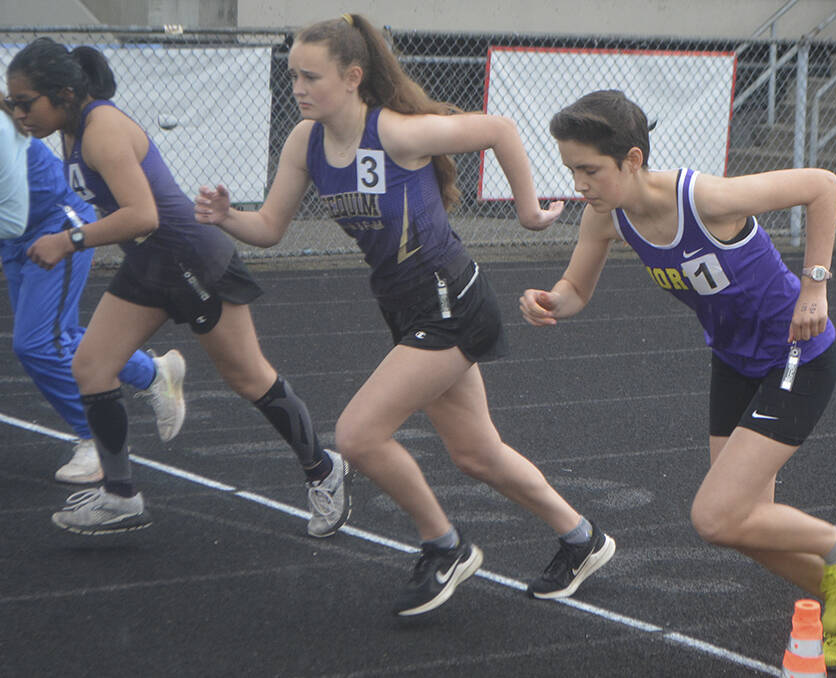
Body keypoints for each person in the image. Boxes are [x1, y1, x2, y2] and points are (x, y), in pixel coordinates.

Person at [194, 13, 615, 617]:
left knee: (357, 435)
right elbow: (269, 228)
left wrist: (527, 213)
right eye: (293, 77)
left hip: (451, 301)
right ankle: (583, 538)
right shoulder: (305, 143)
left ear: (352, 77)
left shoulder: (394, 132)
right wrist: (226, 218)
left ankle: (444, 546)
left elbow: (499, 129)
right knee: (476, 454)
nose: (299, 88)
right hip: (406, 306)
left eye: (311, 76)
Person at [519, 89, 836, 670]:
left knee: (714, 514)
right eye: (571, 171)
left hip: (796, 354)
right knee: (739, 527)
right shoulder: (605, 217)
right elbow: (576, 289)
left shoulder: (704, 198)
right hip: (734, 362)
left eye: (589, 170)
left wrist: (815, 286)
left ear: (632, 160)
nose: (579, 184)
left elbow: (822, 185)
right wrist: (550, 301)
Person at [6, 38, 350, 538]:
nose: (19, 115)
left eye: (25, 103)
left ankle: (323, 469)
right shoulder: (68, 123)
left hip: (193, 262)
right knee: (92, 367)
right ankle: (120, 496)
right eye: (12, 103)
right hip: (149, 264)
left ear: (63, 94)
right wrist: (10, 105)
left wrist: (69, 240)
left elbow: (142, 215)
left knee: (249, 378)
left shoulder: (102, 129)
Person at [1, 91, 185, 485]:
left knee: (37, 343)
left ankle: (95, 438)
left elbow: (12, 216)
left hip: (55, 225)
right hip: (16, 239)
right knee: (55, 337)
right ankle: (153, 372)